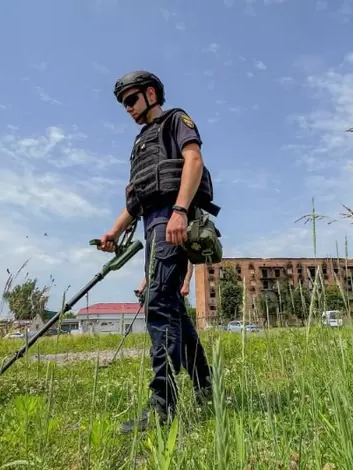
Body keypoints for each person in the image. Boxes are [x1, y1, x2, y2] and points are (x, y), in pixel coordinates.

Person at [97, 70, 216, 434]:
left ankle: (163, 406)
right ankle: (205, 387)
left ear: (150, 93)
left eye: (131, 99)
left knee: (158, 304)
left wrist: (179, 211)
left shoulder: (174, 121)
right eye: (123, 104)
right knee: (172, 309)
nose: (128, 108)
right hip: (153, 224)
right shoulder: (140, 144)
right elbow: (137, 199)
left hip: (172, 220)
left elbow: (192, 162)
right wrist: (113, 232)